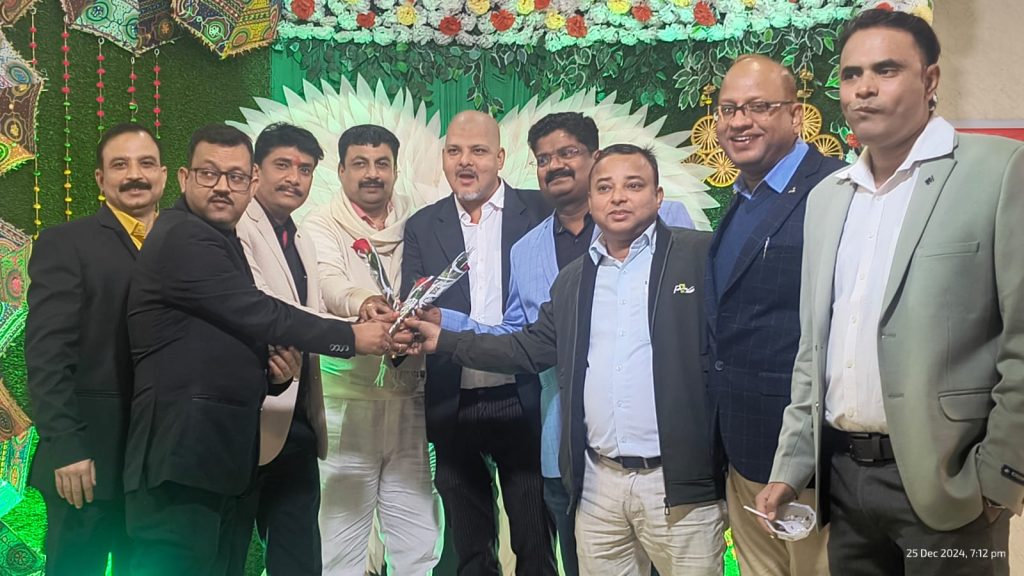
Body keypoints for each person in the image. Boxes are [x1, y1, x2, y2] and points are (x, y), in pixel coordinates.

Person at [758, 9, 1024, 575]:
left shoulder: (998, 171)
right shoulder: (828, 198)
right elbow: (813, 352)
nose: (864, 88)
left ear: (930, 80)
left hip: (949, 484)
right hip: (845, 482)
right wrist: (791, 467)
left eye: (886, 70)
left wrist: (1000, 476)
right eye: (851, 74)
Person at [404, 144, 727, 576]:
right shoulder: (573, 280)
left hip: (678, 483)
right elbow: (526, 347)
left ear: (658, 197)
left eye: (633, 186)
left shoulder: (699, 256)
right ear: (590, 200)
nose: (618, 197)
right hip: (598, 485)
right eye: (605, 188)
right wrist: (445, 339)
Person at [122, 123, 392, 575]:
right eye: (209, 174)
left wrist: (274, 374)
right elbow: (261, 312)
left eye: (233, 177)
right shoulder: (185, 236)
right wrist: (351, 338)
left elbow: (227, 335)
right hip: (182, 455)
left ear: (248, 182)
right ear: (184, 178)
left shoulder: (229, 235)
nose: (222, 187)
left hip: (222, 453)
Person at [401, 110, 555, 575]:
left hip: (524, 395)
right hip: (453, 400)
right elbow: (414, 303)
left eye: (478, 151)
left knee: (535, 541)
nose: (465, 161)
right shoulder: (423, 225)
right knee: (470, 549)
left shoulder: (542, 211)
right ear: (443, 157)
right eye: (454, 151)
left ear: (500, 158)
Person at [707, 55, 843, 575]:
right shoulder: (744, 197)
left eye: (759, 107)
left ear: (796, 115)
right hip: (741, 454)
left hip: (806, 461)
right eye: (728, 109)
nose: (739, 121)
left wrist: (798, 459)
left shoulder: (834, 190)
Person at [25, 123, 166, 576]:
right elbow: (47, 356)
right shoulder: (66, 243)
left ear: (164, 175)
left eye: (146, 163)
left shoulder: (186, 244)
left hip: (160, 468)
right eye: (120, 165)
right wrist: (66, 446)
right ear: (100, 179)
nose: (135, 175)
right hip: (87, 464)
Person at [302, 124, 442, 575]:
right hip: (345, 402)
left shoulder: (419, 220)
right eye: (360, 164)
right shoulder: (320, 224)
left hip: (409, 397)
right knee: (337, 541)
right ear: (341, 171)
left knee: (418, 535)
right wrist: (365, 302)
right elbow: (327, 282)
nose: (372, 174)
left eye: (382, 163)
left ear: (396, 170)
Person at [229, 123, 330, 574]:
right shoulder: (237, 226)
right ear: (256, 171)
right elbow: (266, 309)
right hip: (245, 422)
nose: (294, 178)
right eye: (283, 165)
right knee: (226, 554)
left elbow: (313, 309)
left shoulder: (299, 236)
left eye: (305, 169)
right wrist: (355, 336)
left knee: (300, 558)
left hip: (297, 423)